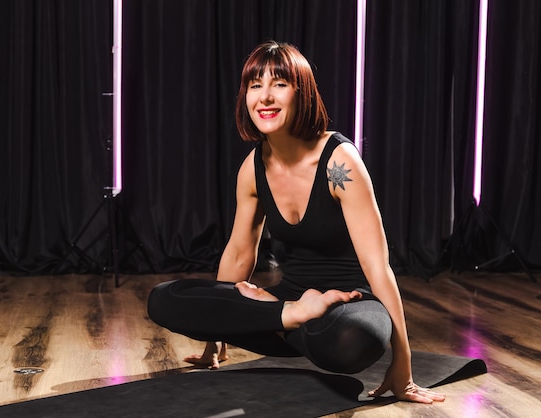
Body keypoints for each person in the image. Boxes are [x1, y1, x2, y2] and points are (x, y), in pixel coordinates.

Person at [148, 41, 445, 404]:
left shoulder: (340, 162)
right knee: (163, 299)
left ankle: (292, 317)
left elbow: (376, 265)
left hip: (350, 305)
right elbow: (240, 252)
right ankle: (292, 313)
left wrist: (404, 362)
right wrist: (216, 337)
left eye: (280, 84)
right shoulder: (252, 169)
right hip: (288, 305)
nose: (265, 96)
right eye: (255, 85)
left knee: (351, 342)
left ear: (301, 92)